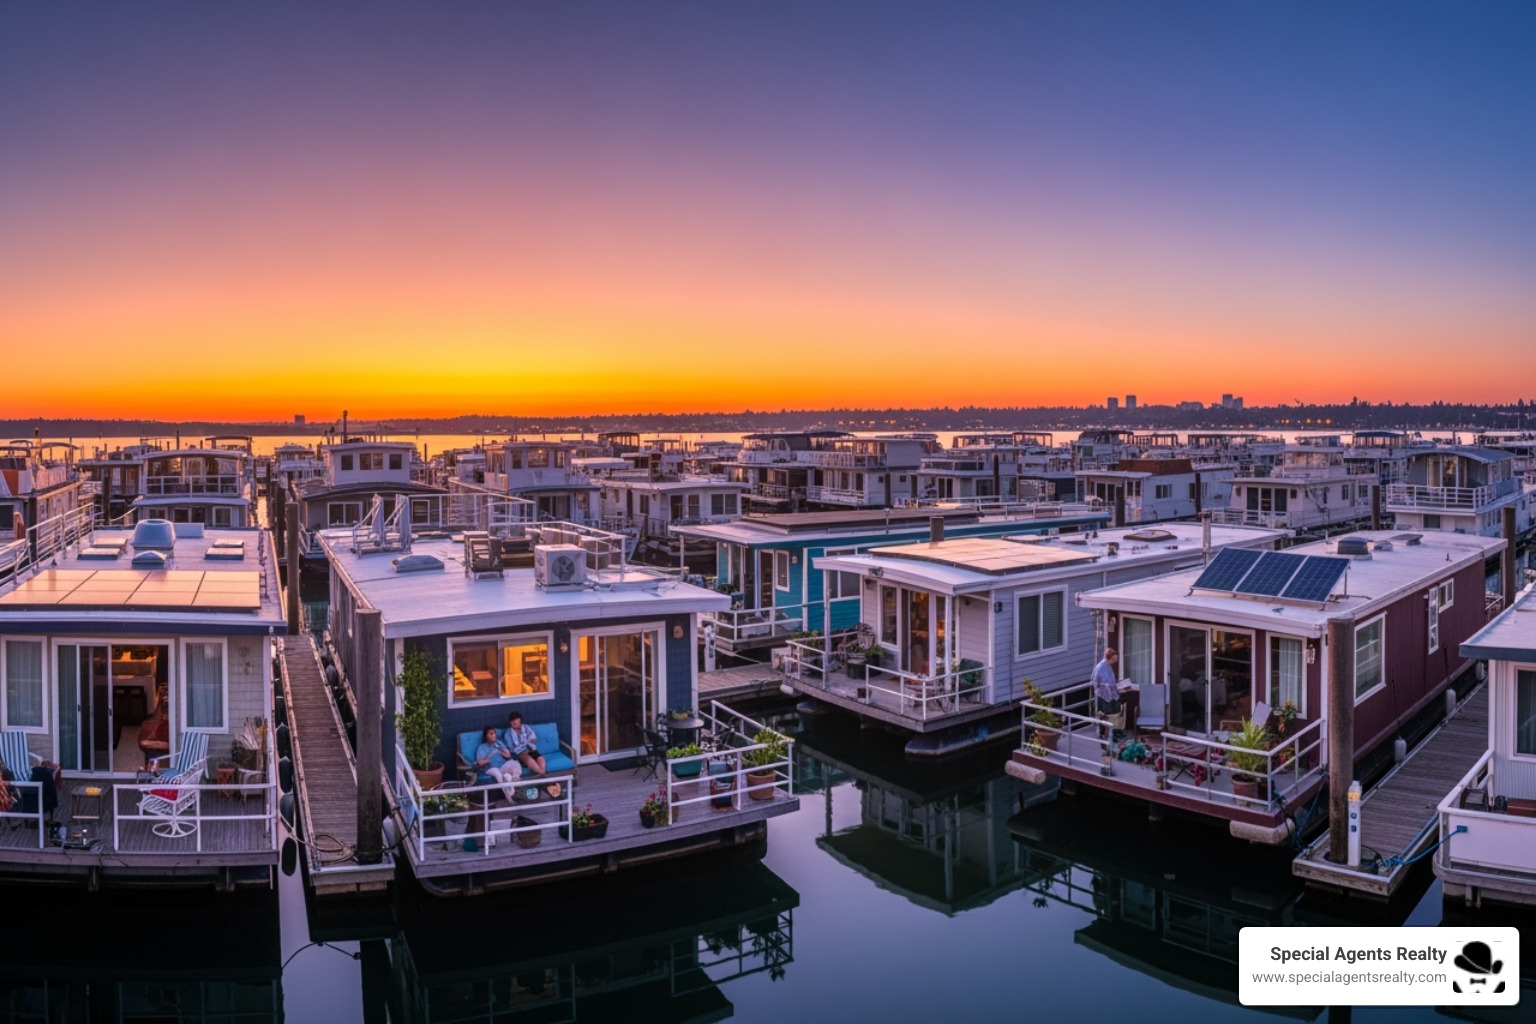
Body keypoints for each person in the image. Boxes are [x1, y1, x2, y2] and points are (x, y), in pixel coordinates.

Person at [473, 726, 520, 799]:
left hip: (502, 765)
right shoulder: (482, 747)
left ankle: (511, 794)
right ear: (486, 736)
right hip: (490, 767)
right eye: (491, 733)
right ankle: (509, 799)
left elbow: (508, 756)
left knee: (508, 776)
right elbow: (480, 763)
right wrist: (491, 754)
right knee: (498, 775)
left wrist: (500, 750)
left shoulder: (499, 743)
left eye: (494, 733)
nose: (493, 735)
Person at [1092, 647, 1123, 745]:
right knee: (1104, 715)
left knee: (1114, 713)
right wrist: (1107, 688)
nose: (1114, 662)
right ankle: (1102, 734)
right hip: (1103, 696)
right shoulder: (1100, 667)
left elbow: (1111, 680)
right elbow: (1096, 682)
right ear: (1109, 658)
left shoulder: (1108, 666)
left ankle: (1115, 733)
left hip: (1112, 695)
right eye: (1113, 659)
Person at [504, 711, 547, 776]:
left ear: (520, 720)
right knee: (524, 755)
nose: (515, 722)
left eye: (516, 719)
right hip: (519, 753)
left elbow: (534, 738)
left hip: (530, 749)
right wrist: (523, 745)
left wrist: (527, 743)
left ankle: (542, 773)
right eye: (512, 720)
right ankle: (542, 774)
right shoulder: (508, 733)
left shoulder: (526, 727)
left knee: (541, 758)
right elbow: (512, 749)